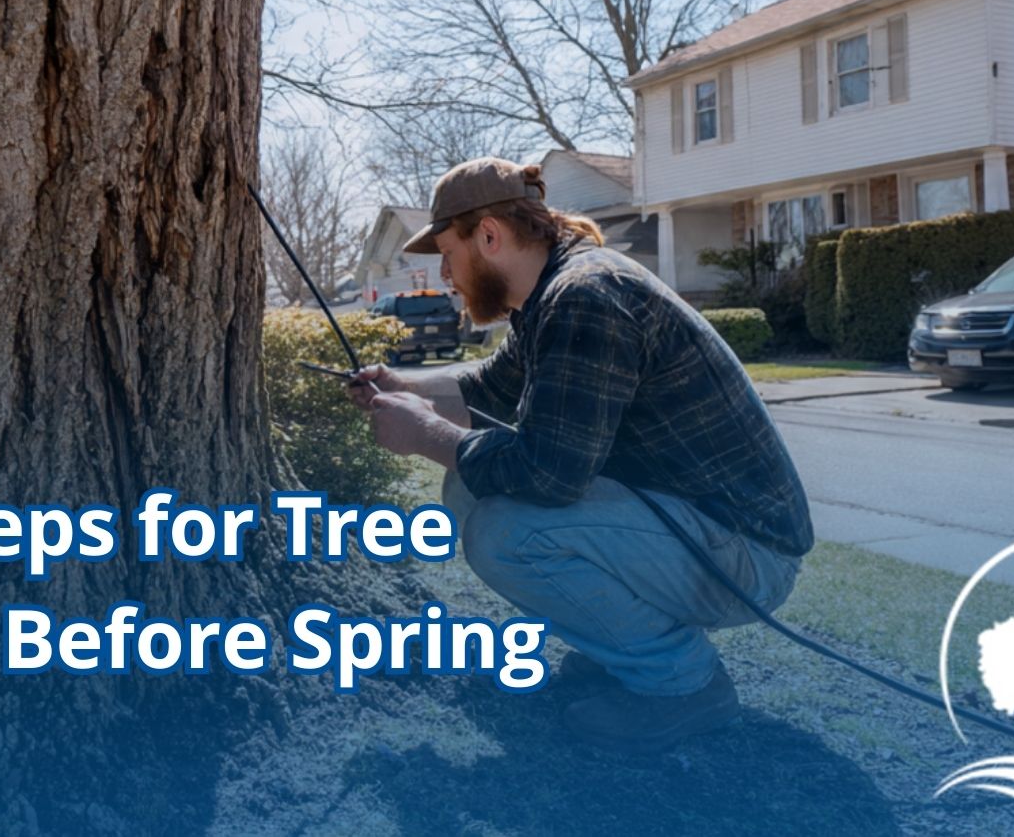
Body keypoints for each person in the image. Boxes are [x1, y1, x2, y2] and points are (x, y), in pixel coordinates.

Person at [349, 157, 814, 754]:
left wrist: (425, 436)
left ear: (489, 236)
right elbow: (492, 388)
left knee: (502, 530)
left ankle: (683, 684)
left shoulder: (584, 297)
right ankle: (625, 650)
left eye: (447, 253)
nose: (443, 275)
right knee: (473, 488)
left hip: (745, 560)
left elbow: (548, 474)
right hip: (700, 530)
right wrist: (406, 390)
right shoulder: (557, 291)